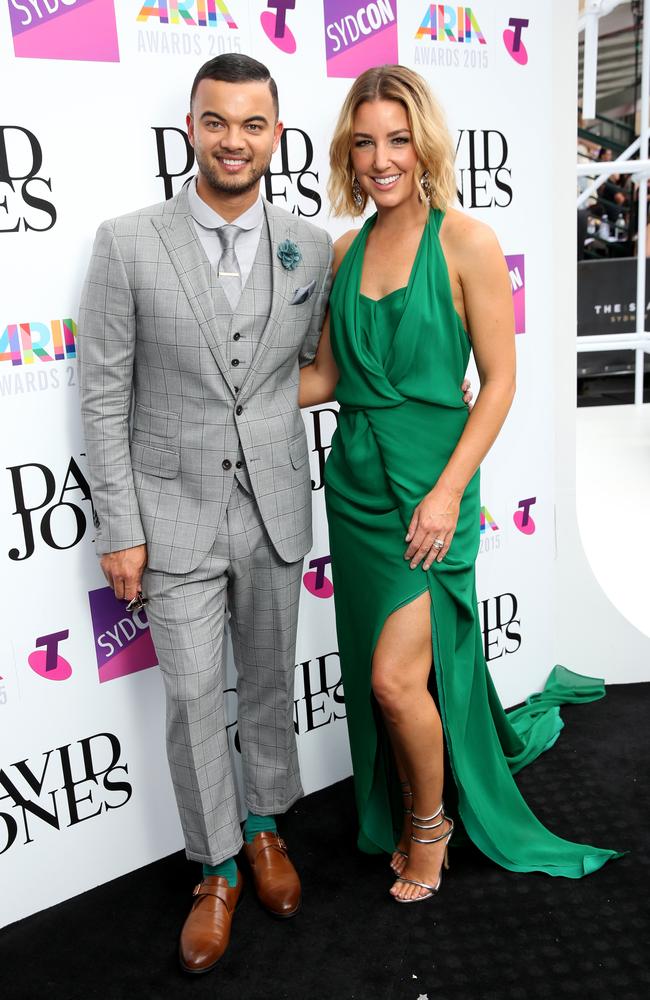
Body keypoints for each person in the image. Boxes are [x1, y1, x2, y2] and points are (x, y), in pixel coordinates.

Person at [300, 65, 621, 903]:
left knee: (394, 680)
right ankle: (412, 801)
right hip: (357, 487)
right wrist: (223, 380)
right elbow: (329, 374)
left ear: (425, 144)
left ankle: (431, 825)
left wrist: (449, 494)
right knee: (389, 674)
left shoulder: (466, 242)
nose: (381, 158)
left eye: (397, 139)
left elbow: (501, 380)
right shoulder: (345, 249)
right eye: (365, 140)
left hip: (431, 486)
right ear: (347, 149)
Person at [78, 54, 334, 974]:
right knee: (192, 701)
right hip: (170, 518)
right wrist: (120, 528)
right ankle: (217, 865)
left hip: (273, 509)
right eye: (216, 121)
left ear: (277, 132)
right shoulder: (127, 241)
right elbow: (103, 394)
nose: (235, 140)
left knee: (267, 683)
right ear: (191, 128)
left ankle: (268, 829)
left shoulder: (313, 245)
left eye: (253, 123)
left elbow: (307, 369)